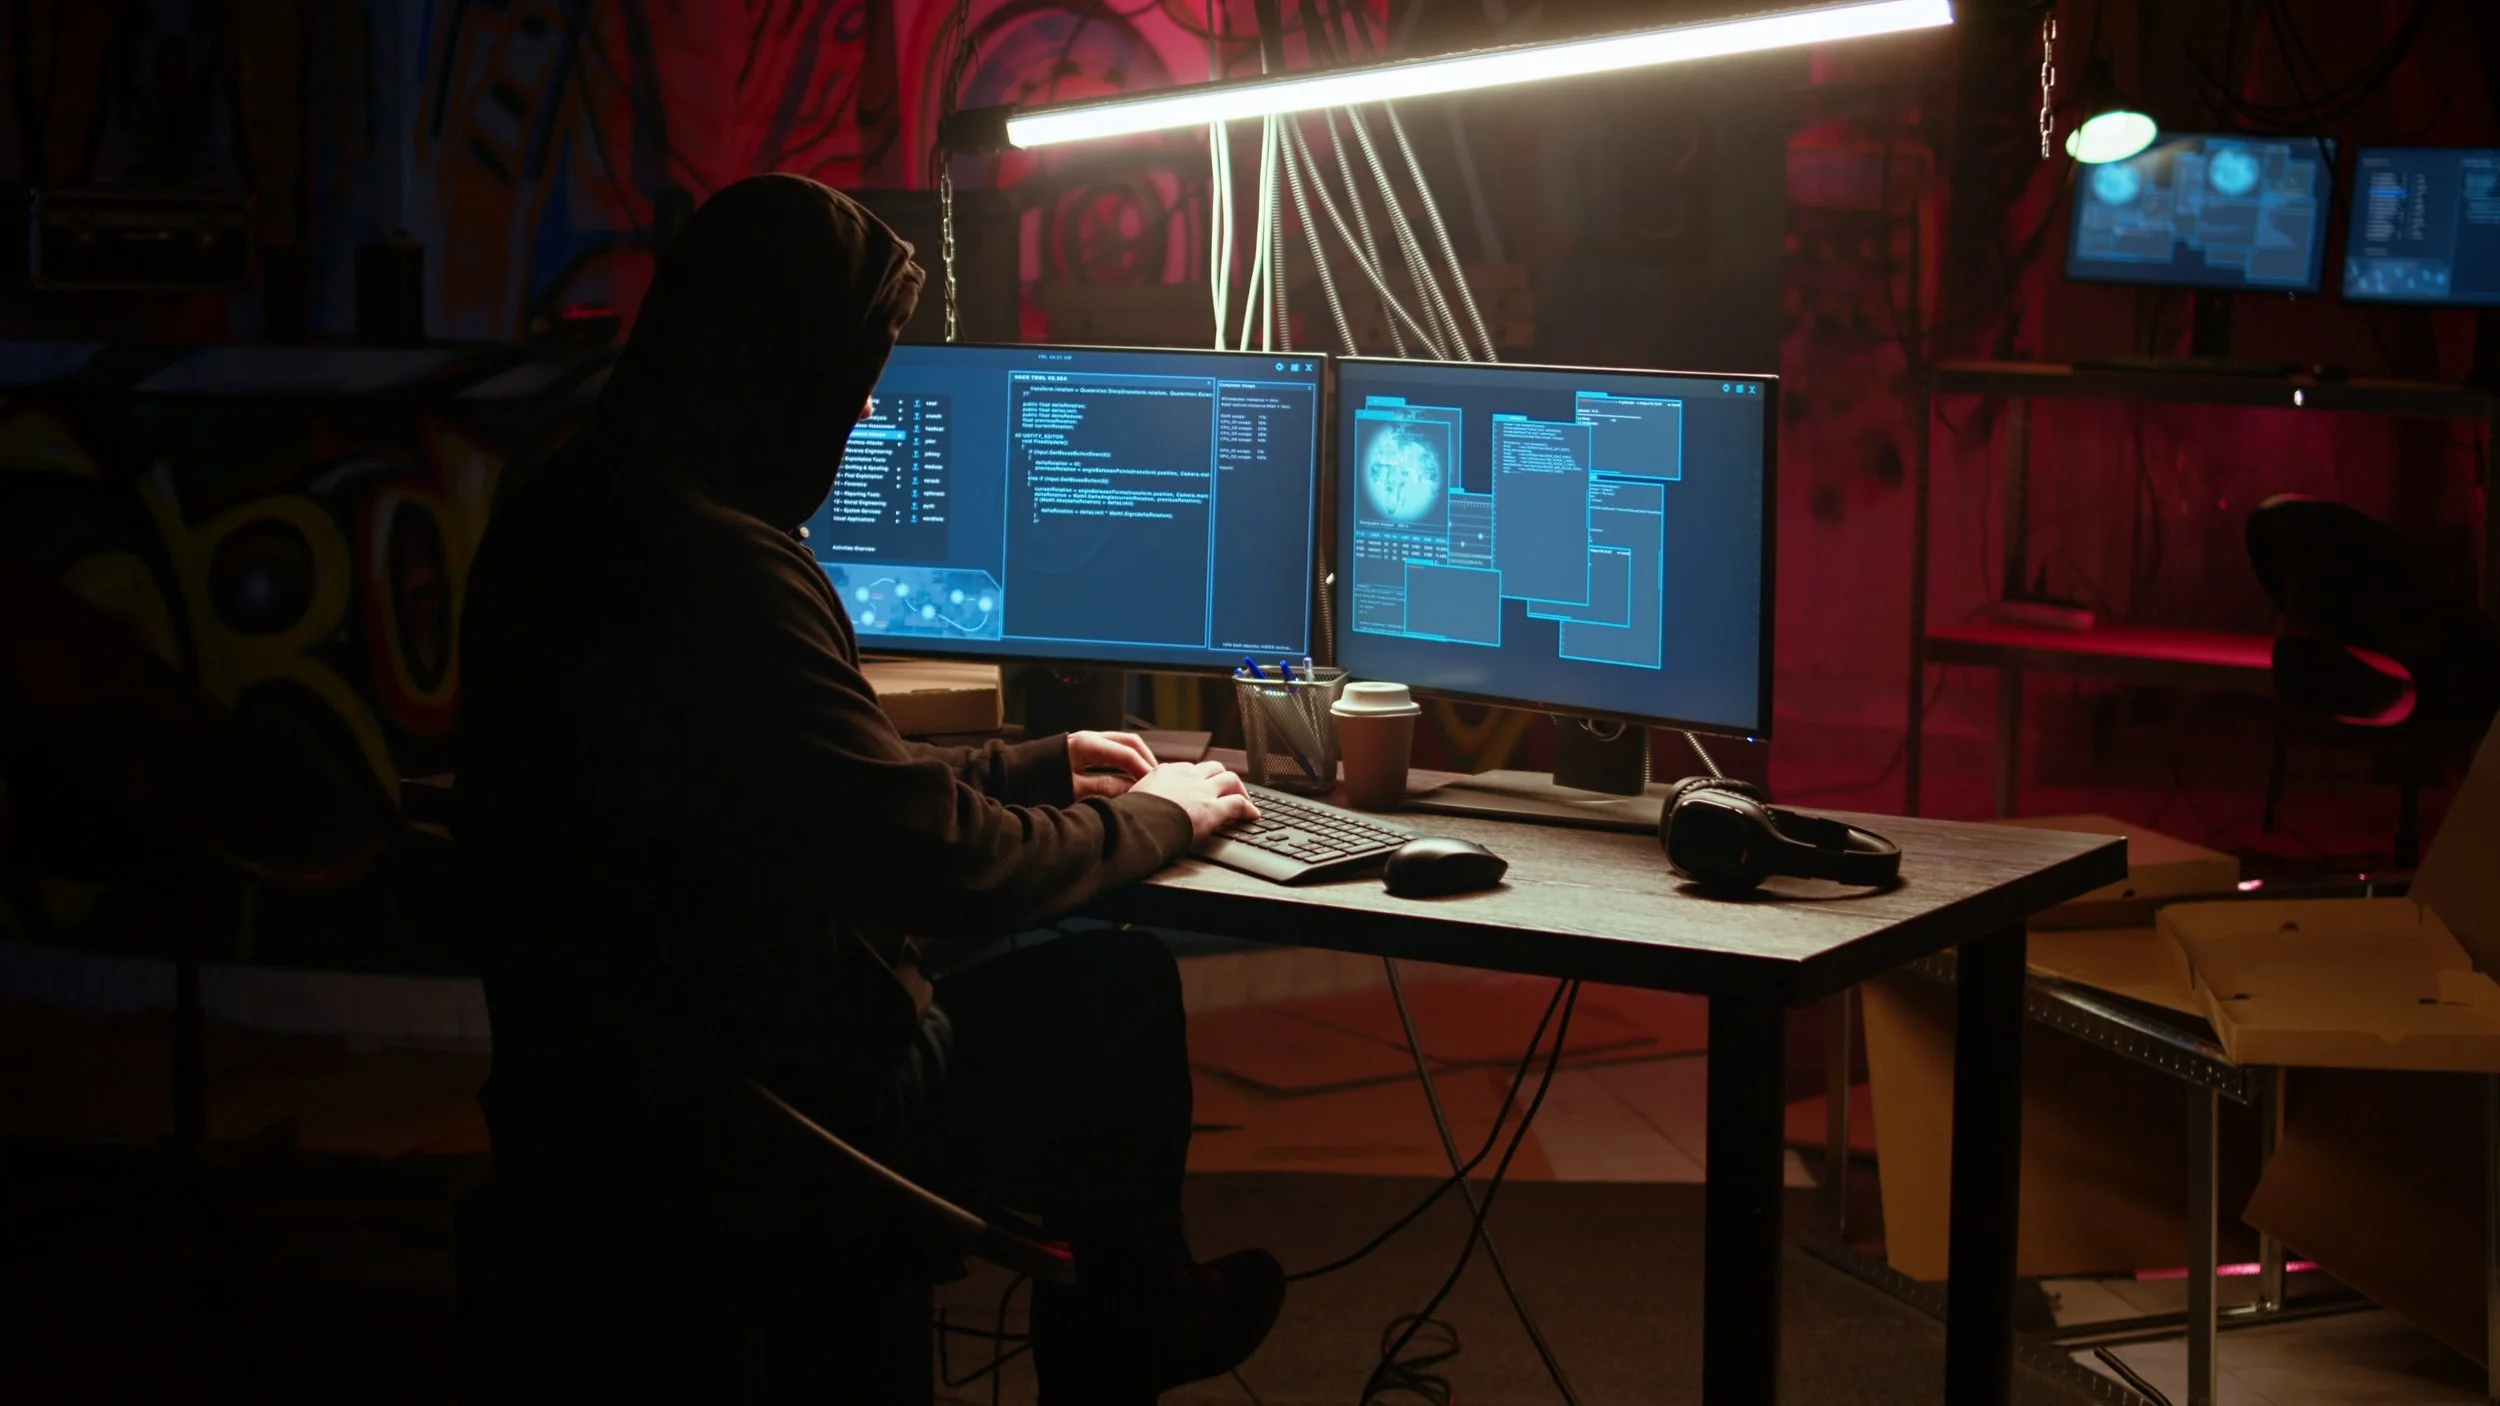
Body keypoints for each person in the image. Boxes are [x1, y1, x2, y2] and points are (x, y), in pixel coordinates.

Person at [455, 173, 1282, 1402]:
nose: (850, 425)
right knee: (1117, 987)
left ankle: (1123, 1312)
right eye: (845, 388)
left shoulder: (570, 508)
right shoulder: (724, 563)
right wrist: (1149, 820)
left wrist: (1034, 764)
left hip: (608, 1100)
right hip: (781, 1128)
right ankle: (1131, 1329)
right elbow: (942, 865)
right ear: (776, 368)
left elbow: (789, 783)